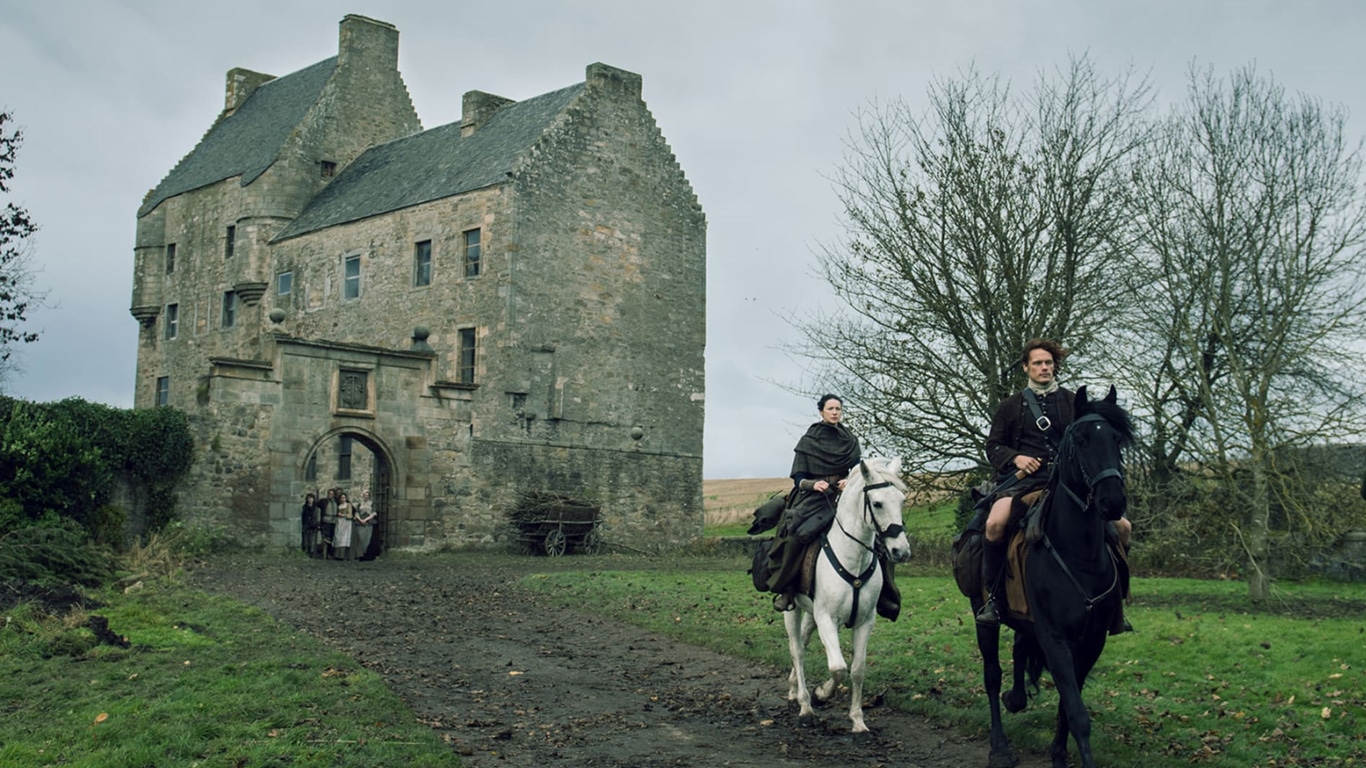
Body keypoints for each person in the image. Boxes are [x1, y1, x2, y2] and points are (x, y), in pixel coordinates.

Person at [974, 339, 1131, 632]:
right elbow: (993, 446)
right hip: (1024, 485)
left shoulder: (1074, 402)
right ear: (1026, 367)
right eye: (1037, 363)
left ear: (1055, 366)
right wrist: (1016, 458)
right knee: (994, 523)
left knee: (1123, 528)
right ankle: (994, 600)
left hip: (1069, 486)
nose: (1044, 367)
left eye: (1048, 363)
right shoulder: (1010, 406)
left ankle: (1116, 605)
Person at [767, 394, 872, 612]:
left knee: (876, 534)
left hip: (844, 495)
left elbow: (856, 468)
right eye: (831, 408)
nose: (835, 412)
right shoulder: (809, 441)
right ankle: (788, 589)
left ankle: (885, 593)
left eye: (838, 409)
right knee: (795, 536)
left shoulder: (849, 439)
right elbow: (798, 478)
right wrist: (813, 484)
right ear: (821, 411)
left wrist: (849, 479)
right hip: (813, 498)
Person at [354, 489, 377, 561]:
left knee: (368, 539)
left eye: (367, 495)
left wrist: (366, 519)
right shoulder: (360, 504)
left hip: (368, 522)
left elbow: (373, 513)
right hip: (360, 523)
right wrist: (360, 520)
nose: (366, 496)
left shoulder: (372, 503)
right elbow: (357, 513)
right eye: (365, 495)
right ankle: (360, 554)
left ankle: (367, 555)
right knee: (360, 539)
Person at [334, 491, 355, 561]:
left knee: (345, 538)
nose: (343, 499)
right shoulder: (338, 505)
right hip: (339, 522)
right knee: (338, 537)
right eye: (342, 498)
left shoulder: (348, 505)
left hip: (346, 522)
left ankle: (345, 556)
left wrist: (342, 515)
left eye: (344, 497)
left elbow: (350, 515)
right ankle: (338, 555)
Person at [301, 492, 319, 557]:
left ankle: (311, 551)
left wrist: (316, 523)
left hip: (313, 525)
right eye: (309, 498)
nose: (310, 500)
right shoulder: (304, 507)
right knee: (305, 538)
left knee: (311, 539)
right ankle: (305, 550)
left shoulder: (316, 508)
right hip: (306, 524)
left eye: (311, 498)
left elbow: (317, 516)